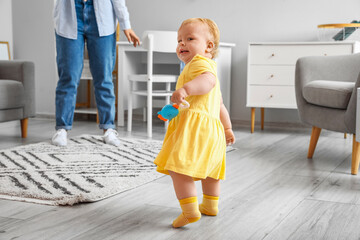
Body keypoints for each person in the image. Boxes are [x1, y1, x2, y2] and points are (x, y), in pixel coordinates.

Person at [154, 18, 235, 228]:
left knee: (178, 168)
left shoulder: (199, 64)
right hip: (213, 130)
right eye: (179, 40)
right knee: (210, 170)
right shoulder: (208, 66)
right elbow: (219, 104)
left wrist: (185, 89)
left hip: (195, 130)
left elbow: (207, 82)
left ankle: (190, 211)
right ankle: (210, 204)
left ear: (209, 46)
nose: (182, 44)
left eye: (189, 38)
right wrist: (227, 128)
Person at [52, 0, 140, 146]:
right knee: (68, 77)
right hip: (68, 14)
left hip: (102, 17)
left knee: (104, 78)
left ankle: (108, 128)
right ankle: (62, 129)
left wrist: (126, 25)